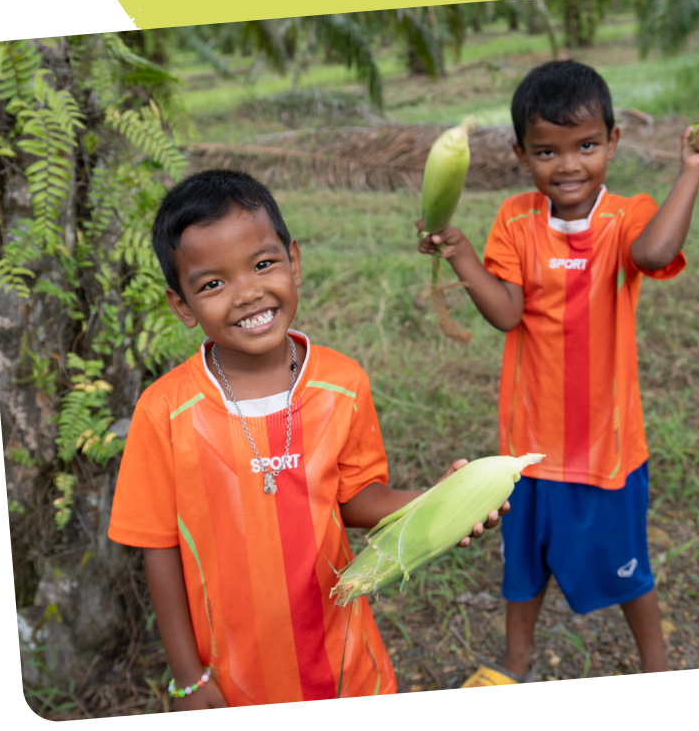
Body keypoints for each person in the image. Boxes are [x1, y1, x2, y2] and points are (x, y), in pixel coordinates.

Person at [108, 171, 501, 709]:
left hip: (345, 666)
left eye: (263, 264)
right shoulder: (165, 411)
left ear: (294, 261)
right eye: (213, 284)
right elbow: (158, 547)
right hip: (233, 680)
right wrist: (189, 678)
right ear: (182, 305)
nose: (247, 293)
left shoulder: (341, 385)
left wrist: (439, 501)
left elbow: (358, 498)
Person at [418, 60, 699, 686]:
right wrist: (459, 253)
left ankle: (657, 667)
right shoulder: (514, 220)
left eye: (586, 146)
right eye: (547, 151)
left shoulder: (627, 216)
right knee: (523, 567)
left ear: (612, 142)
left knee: (627, 569)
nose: (568, 165)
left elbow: (655, 253)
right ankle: (514, 663)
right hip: (527, 449)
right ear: (520, 154)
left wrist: (691, 172)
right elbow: (507, 315)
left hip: (605, 445)